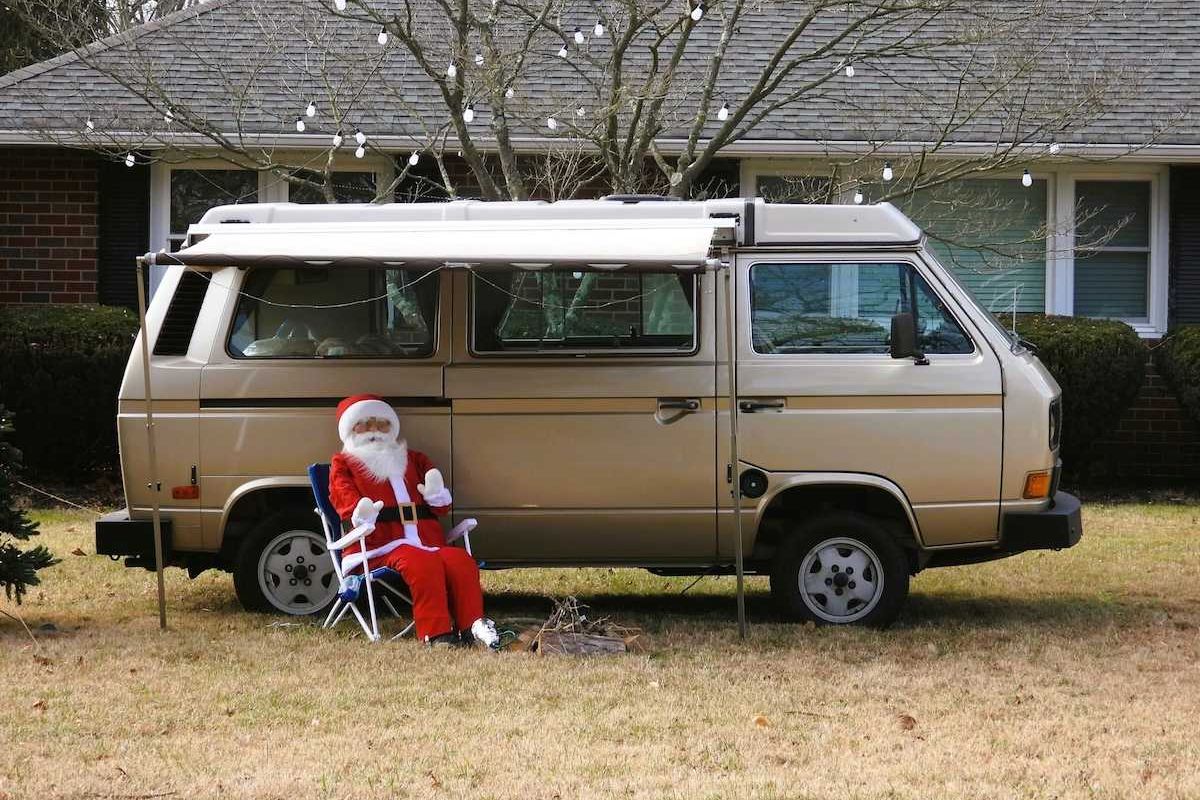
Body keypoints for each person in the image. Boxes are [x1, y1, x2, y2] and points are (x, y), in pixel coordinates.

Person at [328, 393, 498, 649]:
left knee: (461, 560)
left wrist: (435, 491)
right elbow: (341, 494)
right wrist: (359, 509)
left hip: (425, 541)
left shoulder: (414, 458)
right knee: (421, 563)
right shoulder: (343, 462)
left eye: (381, 423)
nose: (374, 430)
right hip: (377, 545)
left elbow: (441, 507)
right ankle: (437, 633)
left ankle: (472, 627)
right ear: (351, 429)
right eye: (364, 423)